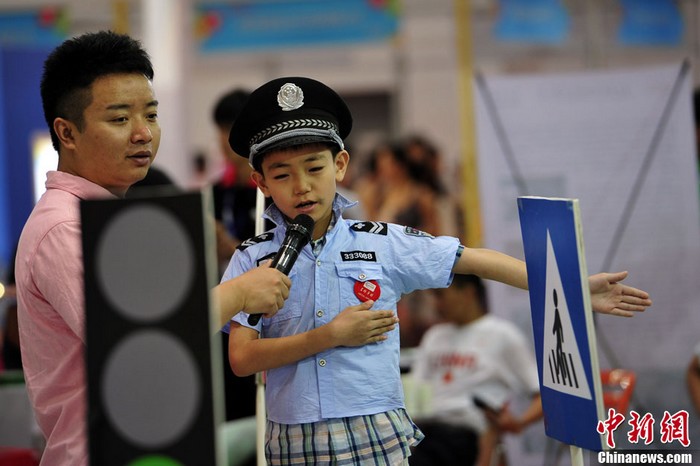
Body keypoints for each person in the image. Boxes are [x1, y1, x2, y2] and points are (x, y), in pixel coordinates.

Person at [222, 76, 652, 465]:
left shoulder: (379, 241)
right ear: (261, 183)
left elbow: (472, 258)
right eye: (282, 175)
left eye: (315, 168)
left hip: (374, 431)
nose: (302, 186)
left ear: (340, 165)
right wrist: (330, 337)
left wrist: (568, 288)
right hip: (290, 439)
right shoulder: (252, 258)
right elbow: (241, 359)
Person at [14, 31, 290, 466]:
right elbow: (144, 343)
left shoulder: (112, 222)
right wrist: (238, 292)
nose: (144, 134)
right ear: (66, 133)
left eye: (151, 114)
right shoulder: (65, 228)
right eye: (120, 119)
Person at [409, 274, 542, 466]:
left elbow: (542, 394)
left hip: (471, 433)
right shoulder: (434, 337)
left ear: (468, 292)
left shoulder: (502, 334)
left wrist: (519, 422)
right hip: (428, 432)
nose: (437, 304)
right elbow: (416, 390)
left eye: (440, 295)